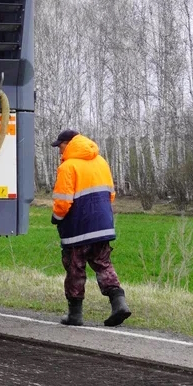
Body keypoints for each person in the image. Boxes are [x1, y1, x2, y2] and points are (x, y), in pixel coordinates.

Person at [50, 128, 132, 327]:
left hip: (78, 227)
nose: (59, 151)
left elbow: (63, 203)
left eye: (60, 146)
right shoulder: (101, 161)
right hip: (103, 225)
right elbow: (110, 194)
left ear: (68, 144)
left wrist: (56, 218)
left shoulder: (68, 167)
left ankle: (75, 315)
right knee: (103, 265)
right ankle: (119, 303)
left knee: (75, 268)